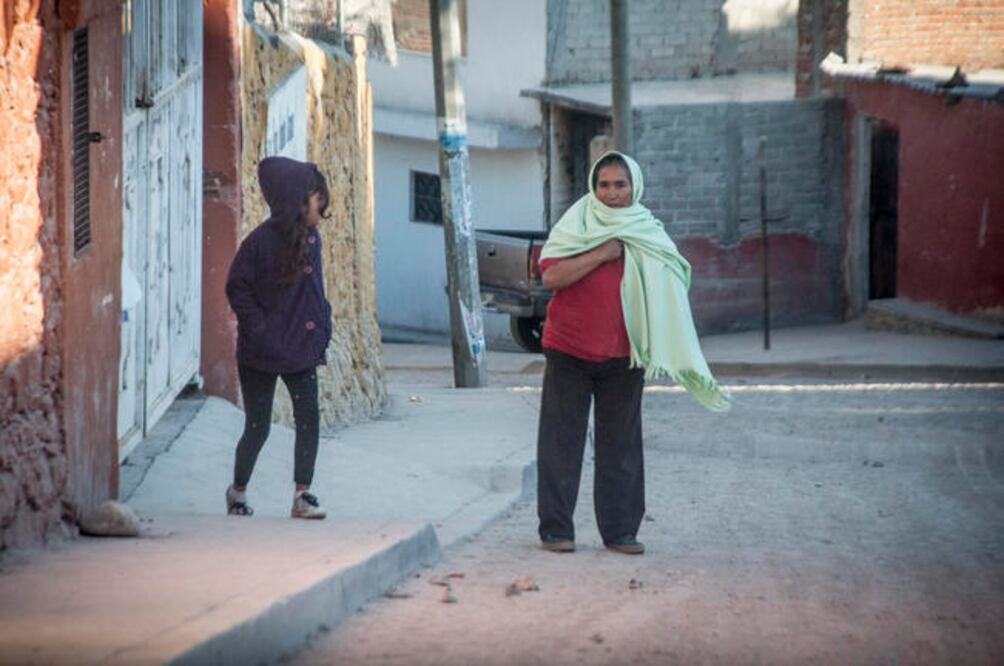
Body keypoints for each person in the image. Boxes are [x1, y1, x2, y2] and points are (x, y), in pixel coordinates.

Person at [536, 151, 730, 555]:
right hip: (568, 350)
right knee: (561, 443)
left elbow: (675, 279)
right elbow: (552, 275)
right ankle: (557, 531)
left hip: (625, 356)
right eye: (603, 184)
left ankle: (621, 532)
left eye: (619, 185)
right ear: (594, 186)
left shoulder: (649, 232)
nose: (611, 193)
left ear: (634, 187)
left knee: (621, 447)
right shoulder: (577, 223)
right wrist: (603, 253)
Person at [223, 156, 334, 519]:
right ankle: (237, 490)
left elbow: (314, 293)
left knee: (308, 417)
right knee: (258, 426)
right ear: (298, 200)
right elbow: (236, 287)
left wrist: (323, 324)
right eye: (318, 199)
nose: (322, 208)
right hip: (261, 351)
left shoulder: (312, 240)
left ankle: (303, 496)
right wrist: (258, 328)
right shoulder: (258, 244)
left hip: (301, 349)